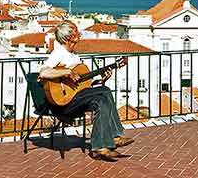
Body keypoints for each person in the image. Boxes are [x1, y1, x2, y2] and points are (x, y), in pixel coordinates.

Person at [38, 22, 133, 161]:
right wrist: (67, 72)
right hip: (64, 104)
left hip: (77, 99)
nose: (79, 35)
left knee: (101, 97)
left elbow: (85, 87)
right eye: (75, 33)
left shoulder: (73, 56)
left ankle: (100, 146)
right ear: (67, 38)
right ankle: (114, 136)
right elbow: (43, 73)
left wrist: (102, 80)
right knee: (104, 93)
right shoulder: (58, 54)